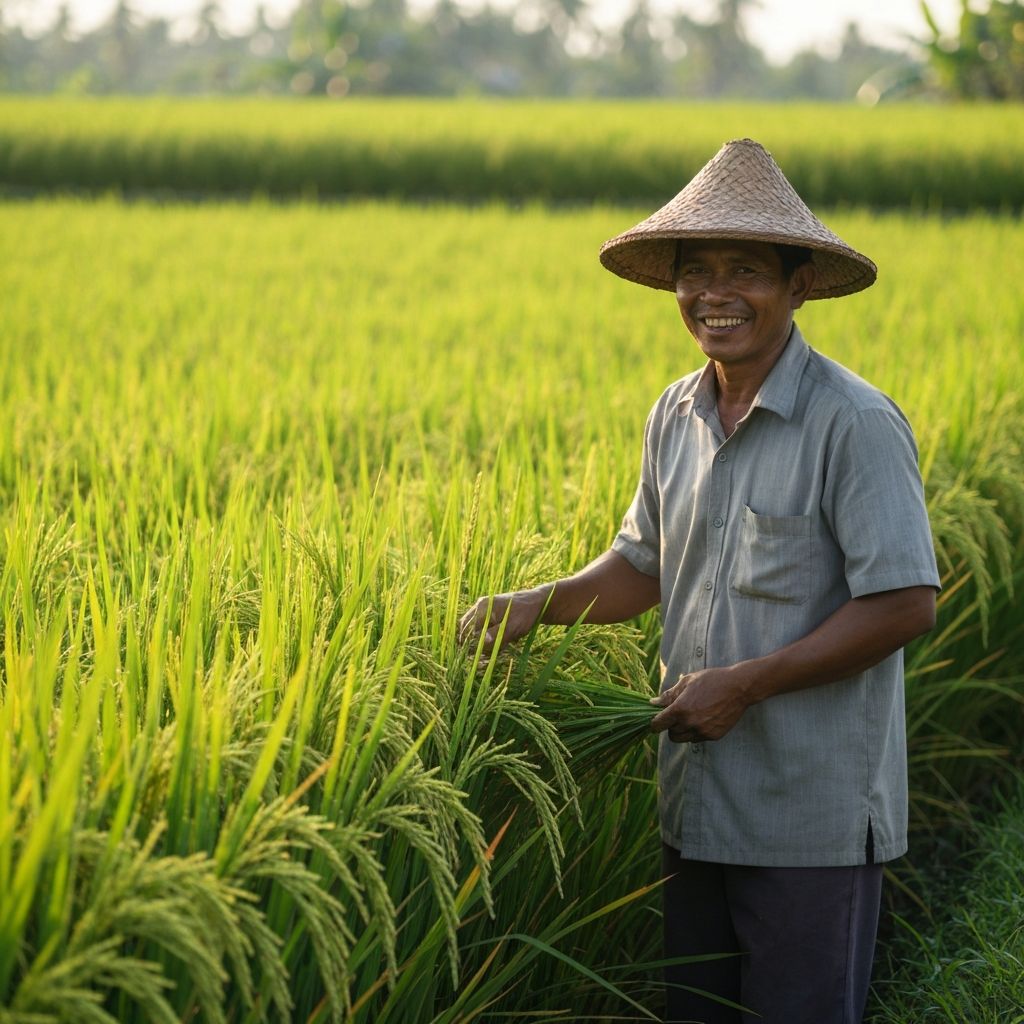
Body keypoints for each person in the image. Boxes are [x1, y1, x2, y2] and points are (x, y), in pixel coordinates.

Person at [458, 138, 940, 1024]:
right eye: (696, 271)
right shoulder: (674, 412)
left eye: (746, 270)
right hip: (697, 805)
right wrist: (536, 606)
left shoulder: (855, 423)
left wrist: (747, 684)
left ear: (798, 284)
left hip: (810, 815)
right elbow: (644, 566)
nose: (715, 294)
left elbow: (905, 600)